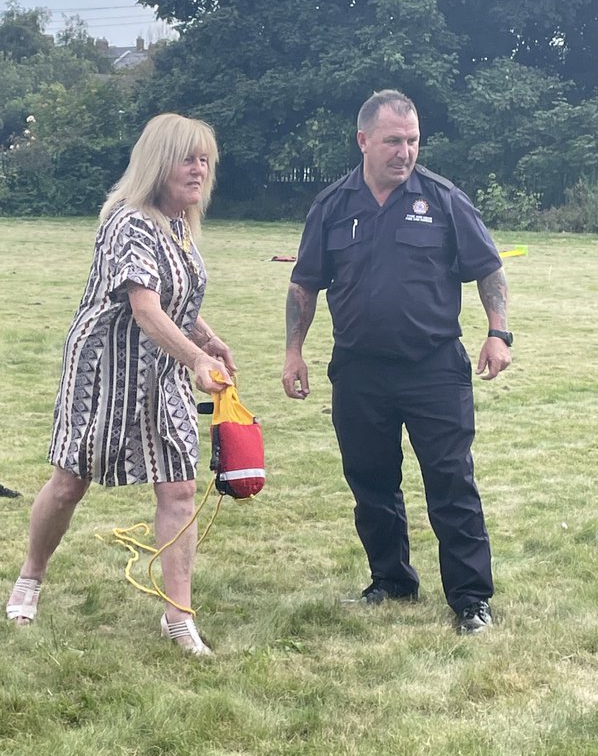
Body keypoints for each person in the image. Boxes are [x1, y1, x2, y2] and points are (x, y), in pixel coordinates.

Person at [282, 90, 512, 634]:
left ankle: (471, 599)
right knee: (371, 481)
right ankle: (391, 581)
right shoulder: (332, 207)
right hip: (359, 370)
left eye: (411, 140)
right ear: (364, 140)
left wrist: (498, 332)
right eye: (392, 140)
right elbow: (304, 284)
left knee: (451, 482)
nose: (404, 151)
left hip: (433, 366)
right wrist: (294, 351)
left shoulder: (444, 199)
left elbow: (489, 269)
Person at [6, 113, 236, 656]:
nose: (199, 169)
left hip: (162, 367)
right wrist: (198, 359)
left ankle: (178, 616)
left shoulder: (179, 224)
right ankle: (30, 577)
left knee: (179, 485)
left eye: (205, 159)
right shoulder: (129, 220)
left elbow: (177, 300)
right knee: (70, 482)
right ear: (159, 161)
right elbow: (145, 308)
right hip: (104, 368)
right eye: (187, 157)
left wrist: (210, 339)